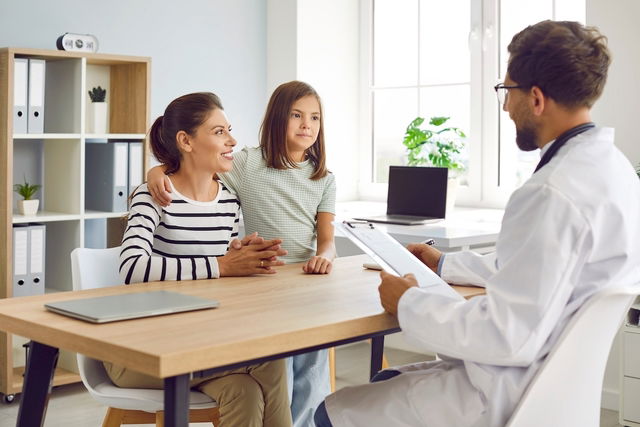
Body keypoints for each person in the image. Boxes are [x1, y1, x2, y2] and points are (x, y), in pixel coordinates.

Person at [314, 20, 640, 427]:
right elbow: (538, 270)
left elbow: (507, 336)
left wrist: (408, 302)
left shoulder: (550, 192)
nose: (505, 107)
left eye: (507, 91)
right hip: (557, 392)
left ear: (536, 98)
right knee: (386, 379)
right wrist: (444, 265)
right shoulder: (615, 172)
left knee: (330, 413)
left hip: (507, 395)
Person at [147, 81, 336, 426]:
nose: (307, 125)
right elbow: (193, 170)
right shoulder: (247, 164)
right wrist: (157, 169)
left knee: (311, 361)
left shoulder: (323, 177)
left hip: (304, 283)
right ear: (277, 118)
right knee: (277, 362)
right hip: (261, 282)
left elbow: (326, 238)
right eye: (296, 115)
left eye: (314, 118)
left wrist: (325, 255)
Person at [112, 92, 293, 427]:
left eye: (229, 130)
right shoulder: (154, 195)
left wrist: (241, 259)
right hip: (137, 349)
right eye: (219, 131)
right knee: (270, 361)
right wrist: (221, 265)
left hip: (197, 341)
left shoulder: (227, 202)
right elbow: (132, 268)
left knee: (244, 391)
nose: (232, 140)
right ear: (186, 141)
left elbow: (215, 276)